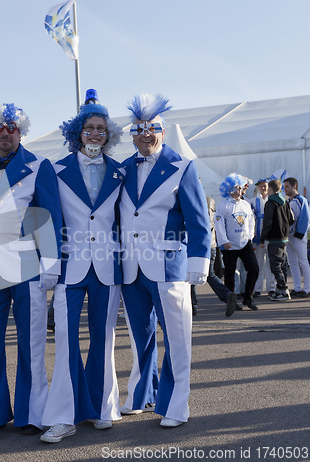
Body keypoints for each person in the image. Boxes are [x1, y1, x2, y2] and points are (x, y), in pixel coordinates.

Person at [0, 103, 63, 437]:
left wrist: (51, 263)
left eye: (12, 127)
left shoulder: (38, 165)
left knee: (31, 342)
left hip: (26, 264)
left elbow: (50, 215)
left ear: (21, 132)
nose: (5, 132)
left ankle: (31, 412)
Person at [118, 93, 211, 428]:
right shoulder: (122, 169)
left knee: (176, 337)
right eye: (138, 129)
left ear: (162, 130)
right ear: (131, 134)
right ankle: (143, 395)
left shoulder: (183, 166)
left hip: (169, 265)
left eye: (152, 128)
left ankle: (175, 404)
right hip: (131, 267)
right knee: (139, 336)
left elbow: (199, 220)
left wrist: (199, 261)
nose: (145, 135)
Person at [40, 90, 125, 443]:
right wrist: (47, 264)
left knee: (104, 341)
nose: (94, 134)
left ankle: (102, 408)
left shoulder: (121, 171)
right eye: (88, 128)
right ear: (77, 132)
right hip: (69, 268)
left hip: (108, 268)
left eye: (101, 129)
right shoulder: (54, 169)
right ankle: (63, 415)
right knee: (65, 340)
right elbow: (44, 219)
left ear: (108, 134)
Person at [214, 174, 259, 311]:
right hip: (230, 245)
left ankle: (248, 297)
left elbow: (251, 221)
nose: (239, 190)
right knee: (230, 274)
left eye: (240, 187)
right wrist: (224, 241)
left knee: (254, 269)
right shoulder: (223, 206)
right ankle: (231, 301)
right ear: (228, 189)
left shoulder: (246, 204)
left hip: (245, 243)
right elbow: (219, 225)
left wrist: (250, 237)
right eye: (236, 187)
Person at [259, 179, 295, 301]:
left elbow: (267, 223)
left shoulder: (270, 203)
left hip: (274, 238)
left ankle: (283, 290)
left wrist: (262, 238)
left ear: (270, 189)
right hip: (284, 237)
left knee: (275, 265)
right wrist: (284, 226)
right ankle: (280, 290)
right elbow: (292, 219)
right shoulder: (285, 201)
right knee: (282, 264)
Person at [283, 177, 310, 298]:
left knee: (303, 261)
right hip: (289, 236)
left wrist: (299, 233)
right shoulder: (290, 201)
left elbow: (305, 218)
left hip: (297, 235)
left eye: (287, 186)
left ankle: (307, 288)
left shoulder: (300, 200)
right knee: (292, 262)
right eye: (284, 186)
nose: (285, 189)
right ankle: (297, 287)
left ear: (294, 186)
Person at [250, 178, 275, 297]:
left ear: (268, 187)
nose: (262, 188)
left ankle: (271, 287)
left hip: (270, 237)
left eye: (264, 186)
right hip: (258, 238)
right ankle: (257, 288)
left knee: (270, 264)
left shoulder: (272, 200)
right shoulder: (253, 201)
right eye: (260, 186)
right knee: (258, 264)